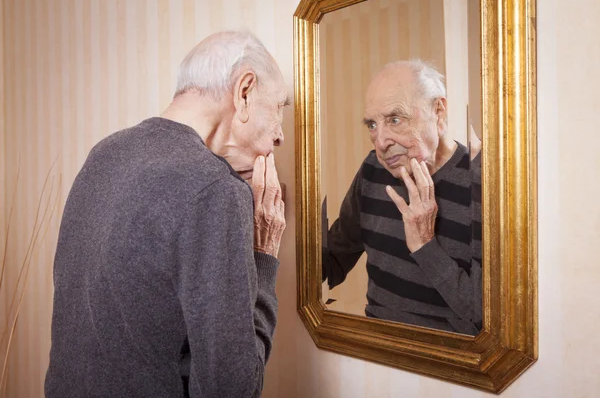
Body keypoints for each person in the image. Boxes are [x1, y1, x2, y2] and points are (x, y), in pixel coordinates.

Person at [45, 30, 288, 397]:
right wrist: (264, 258)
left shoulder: (104, 153)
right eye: (279, 108)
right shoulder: (215, 189)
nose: (281, 135)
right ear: (244, 92)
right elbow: (232, 390)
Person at [322, 60, 482, 336]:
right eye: (372, 125)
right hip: (380, 358)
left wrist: (425, 246)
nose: (381, 141)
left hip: (452, 370)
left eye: (395, 120)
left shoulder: (479, 181)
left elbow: (483, 318)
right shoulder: (373, 169)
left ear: (438, 112)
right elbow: (333, 261)